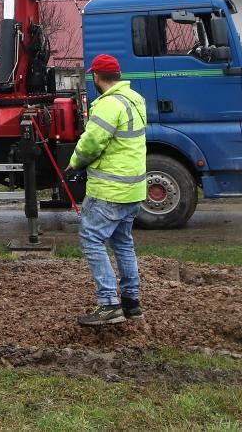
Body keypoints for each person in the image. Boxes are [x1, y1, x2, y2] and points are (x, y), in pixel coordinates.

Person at [68, 52, 148, 326]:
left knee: (91, 238)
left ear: (96, 76)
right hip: (133, 189)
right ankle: (131, 303)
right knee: (123, 242)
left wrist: (74, 163)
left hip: (109, 191)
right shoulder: (135, 99)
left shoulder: (107, 105)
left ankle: (108, 304)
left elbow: (91, 143)